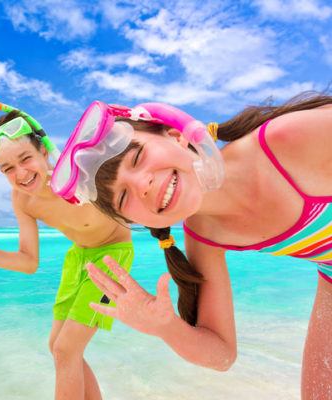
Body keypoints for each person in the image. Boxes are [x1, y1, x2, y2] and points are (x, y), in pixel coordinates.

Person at [51, 93, 332, 399]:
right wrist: (164, 326)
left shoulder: (288, 139)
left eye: (137, 158)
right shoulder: (204, 235)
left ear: (176, 135)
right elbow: (222, 355)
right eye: (123, 197)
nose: (142, 185)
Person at [0, 100, 133, 400]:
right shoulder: (23, 201)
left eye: (26, 159)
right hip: (79, 259)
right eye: (8, 168)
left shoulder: (75, 172)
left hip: (113, 255)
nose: (20, 173)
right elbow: (29, 261)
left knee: (65, 349)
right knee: (57, 346)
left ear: (43, 151)